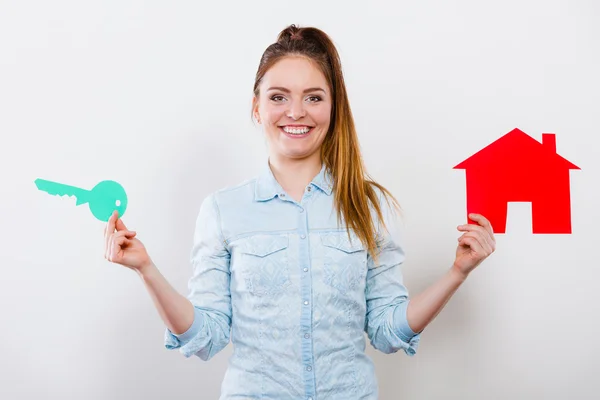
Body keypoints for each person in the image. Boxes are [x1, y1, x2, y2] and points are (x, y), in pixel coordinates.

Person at [103, 24, 496, 399]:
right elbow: (206, 336)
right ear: (257, 108)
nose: (296, 112)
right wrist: (146, 269)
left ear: (333, 108)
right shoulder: (223, 210)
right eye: (278, 96)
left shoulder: (368, 206)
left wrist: (458, 272)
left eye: (313, 96)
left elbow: (387, 331)